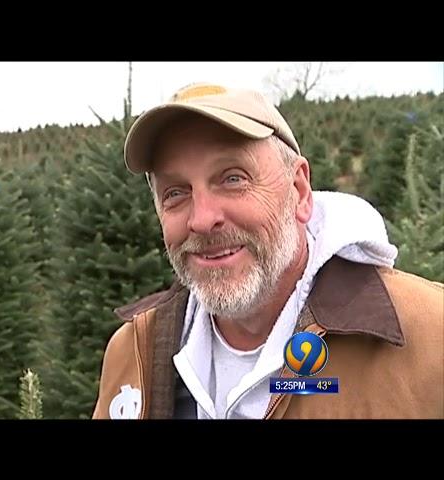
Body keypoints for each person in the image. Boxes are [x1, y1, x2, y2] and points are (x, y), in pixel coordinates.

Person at [92, 82, 443, 419]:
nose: (202, 219)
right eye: (176, 193)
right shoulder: (133, 352)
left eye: (233, 178)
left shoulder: (430, 337)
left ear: (300, 191)